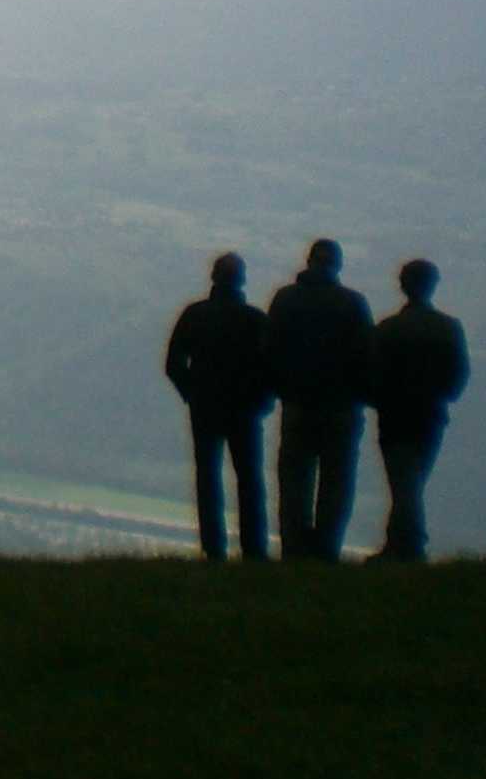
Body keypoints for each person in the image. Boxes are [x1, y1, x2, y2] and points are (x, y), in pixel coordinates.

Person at [264, 238, 373, 561]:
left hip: (297, 404)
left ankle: (294, 550)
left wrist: (281, 390)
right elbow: (368, 358)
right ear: (337, 265)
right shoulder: (353, 304)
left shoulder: (286, 300)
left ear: (308, 261)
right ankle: (326, 550)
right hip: (342, 408)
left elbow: (269, 352)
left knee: (295, 482)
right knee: (336, 485)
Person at [164, 251, 273, 560]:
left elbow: (173, 363)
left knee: (208, 477)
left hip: (205, 407)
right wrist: (262, 401)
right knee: (250, 479)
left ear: (213, 277)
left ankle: (214, 549)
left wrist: (191, 393)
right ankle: (254, 549)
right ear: (242, 280)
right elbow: (271, 367)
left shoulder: (195, 314)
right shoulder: (254, 319)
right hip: (244, 410)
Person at [370, 259, 470, 562]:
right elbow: (458, 375)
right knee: (410, 482)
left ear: (403, 284)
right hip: (430, 415)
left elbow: (370, 373)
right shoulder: (448, 328)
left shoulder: (387, 329)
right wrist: (442, 396)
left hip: (394, 415)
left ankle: (407, 547)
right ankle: (403, 545)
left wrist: (379, 399)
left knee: (403, 482)